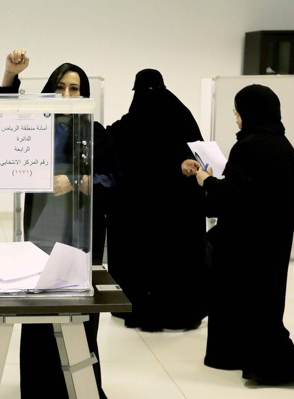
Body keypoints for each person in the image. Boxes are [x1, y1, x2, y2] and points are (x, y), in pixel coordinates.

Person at [0, 49, 117, 399]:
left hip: (83, 234)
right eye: (60, 87)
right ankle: (38, 387)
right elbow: (5, 124)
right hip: (40, 232)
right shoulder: (38, 125)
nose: (66, 95)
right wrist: (9, 75)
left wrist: (77, 181)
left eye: (74, 89)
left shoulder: (96, 133)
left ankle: (81, 387)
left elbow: (116, 179)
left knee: (79, 316)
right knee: (39, 311)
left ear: (85, 94)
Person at [189, 84, 294, 384]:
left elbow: (235, 196)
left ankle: (274, 365)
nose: (236, 117)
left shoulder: (248, 146)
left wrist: (206, 180)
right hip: (272, 239)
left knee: (239, 302)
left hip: (244, 242)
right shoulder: (283, 145)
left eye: (237, 111)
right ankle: (247, 356)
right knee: (263, 303)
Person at [106, 69, 207, 332]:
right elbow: (196, 153)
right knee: (175, 260)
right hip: (176, 209)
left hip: (140, 208)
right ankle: (178, 311)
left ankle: (138, 307)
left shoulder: (131, 121)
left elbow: (120, 149)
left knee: (142, 259)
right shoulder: (181, 114)